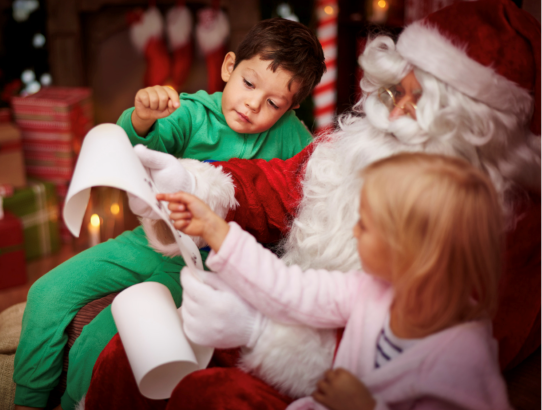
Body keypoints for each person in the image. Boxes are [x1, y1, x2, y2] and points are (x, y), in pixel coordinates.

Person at [83, 0, 540, 408]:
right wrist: (195, 185)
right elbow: (285, 211)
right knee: (130, 354)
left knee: (210, 397)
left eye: (416, 98)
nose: (393, 111)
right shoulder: (363, 162)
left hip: (321, 372)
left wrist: (260, 334)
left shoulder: (493, 232)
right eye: (395, 89)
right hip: (280, 316)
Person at [13, 17, 326, 410]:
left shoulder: (292, 138)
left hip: (202, 270)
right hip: (148, 242)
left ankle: (76, 402)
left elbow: (307, 187)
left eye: (273, 102)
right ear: (229, 67)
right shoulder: (193, 113)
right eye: (249, 84)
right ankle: (27, 401)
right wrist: (143, 116)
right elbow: (133, 144)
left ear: (291, 107)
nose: (252, 104)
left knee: (106, 338)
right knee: (47, 292)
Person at [159, 151, 511, 409]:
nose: (354, 230)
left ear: (410, 251)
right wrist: (216, 230)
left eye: (366, 224)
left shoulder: (463, 358)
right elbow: (289, 290)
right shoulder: (371, 292)